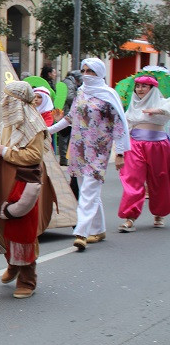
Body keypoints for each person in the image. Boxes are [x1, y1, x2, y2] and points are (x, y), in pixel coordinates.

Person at [47, 58, 130, 251]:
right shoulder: (81, 92)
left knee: (87, 192)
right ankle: (99, 229)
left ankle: (81, 232)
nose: (86, 74)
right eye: (83, 70)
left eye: (91, 71)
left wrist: (120, 153)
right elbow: (71, 117)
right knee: (88, 190)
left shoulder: (108, 95)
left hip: (99, 150)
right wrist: (48, 130)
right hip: (79, 148)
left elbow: (119, 125)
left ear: (99, 73)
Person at [0, 81, 49, 299]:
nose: (4, 102)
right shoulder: (7, 121)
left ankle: (27, 278)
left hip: (25, 181)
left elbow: (35, 156)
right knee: (1, 226)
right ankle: (13, 264)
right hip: (6, 178)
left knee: (22, 229)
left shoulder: (34, 125)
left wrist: (6, 152)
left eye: (8, 98)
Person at [116, 75, 170, 232]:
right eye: (138, 86)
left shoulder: (163, 102)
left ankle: (159, 214)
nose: (140, 89)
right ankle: (130, 217)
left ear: (152, 89)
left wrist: (158, 110)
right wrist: (119, 152)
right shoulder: (132, 107)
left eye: (144, 86)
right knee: (132, 179)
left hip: (159, 146)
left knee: (160, 179)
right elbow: (123, 129)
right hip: (135, 145)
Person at [56, 70, 82, 167]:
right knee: (65, 137)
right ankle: (64, 159)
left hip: (66, 112)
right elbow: (70, 97)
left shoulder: (68, 82)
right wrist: (78, 99)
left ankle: (66, 158)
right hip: (66, 112)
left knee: (66, 137)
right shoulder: (70, 83)